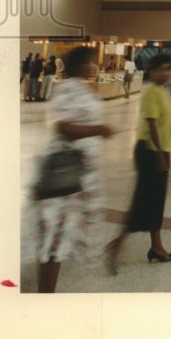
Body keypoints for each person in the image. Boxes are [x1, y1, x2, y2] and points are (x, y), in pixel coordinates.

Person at [32, 45, 115, 293]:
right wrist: (99, 130)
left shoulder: (82, 87)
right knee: (55, 235)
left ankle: (48, 289)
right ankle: (45, 295)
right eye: (89, 62)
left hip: (80, 172)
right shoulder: (66, 88)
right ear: (77, 64)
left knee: (63, 233)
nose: (92, 66)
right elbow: (64, 127)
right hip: (64, 169)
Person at [105, 54, 171, 274]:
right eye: (162, 69)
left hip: (159, 150)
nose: (167, 73)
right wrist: (159, 155)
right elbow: (152, 124)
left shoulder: (164, 91)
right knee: (144, 201)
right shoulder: (151, 93)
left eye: (170, 69)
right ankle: (116, 245)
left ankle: (156, 247)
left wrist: (165, 152)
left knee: (156, 202)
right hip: (149, 151)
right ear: (152, 71)